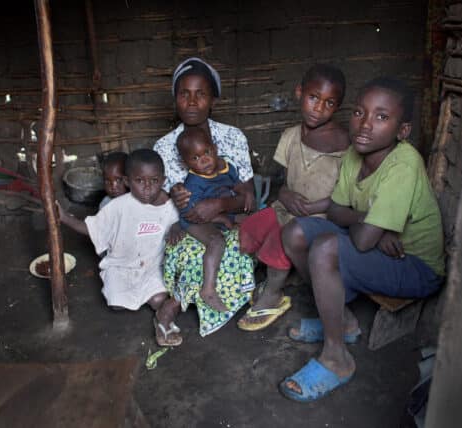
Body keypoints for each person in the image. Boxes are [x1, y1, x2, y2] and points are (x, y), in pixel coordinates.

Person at [278, 77, 445, 402]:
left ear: (403, 130)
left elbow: (363, 240)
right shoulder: (356, 154)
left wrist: (370, 230)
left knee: (326, 248)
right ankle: (344, 321)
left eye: (381, 117)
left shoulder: (404, 164)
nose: (365, 125)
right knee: (295, 231)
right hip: (378, 247)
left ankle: (336, 357)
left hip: (414, 265)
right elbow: (339, 211)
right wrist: (368, 223)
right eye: (359, 112)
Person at [237, 64, 349, 331]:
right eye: (313, 98)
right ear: (300, 93)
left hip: (322, 217)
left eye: (329, 103)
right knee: (253, 225)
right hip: (288, 208)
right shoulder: (290, 136)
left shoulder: (346, 145)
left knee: (279, 237)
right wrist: (285, 195)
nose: (318, 108)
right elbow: (285, 181)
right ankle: (269, 276)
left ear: (338, 106)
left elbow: (348, 197)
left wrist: (313, 207)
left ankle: (273, 293)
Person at [153, 57, 256, 338]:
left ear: (213, 99)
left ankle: (181, 305)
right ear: (175, 99)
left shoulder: (232, 137)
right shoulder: (163, 147)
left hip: (227, 218)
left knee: (236, 244)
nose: (192, 101)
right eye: (184, 94)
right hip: (186, 226)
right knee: (192, 250)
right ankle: (173, 308)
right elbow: (161, 202)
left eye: (201, 94)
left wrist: (220, 204)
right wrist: (174, 210)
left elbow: (249, 197)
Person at [57, 149, 184, 346]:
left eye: (154, 181)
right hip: (121, 266)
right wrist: (64, 217)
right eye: (139, 181)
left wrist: (177, 225)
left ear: (163, 180)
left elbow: (182, 223)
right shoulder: (118, 207)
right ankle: (135, 295)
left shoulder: (169, 206)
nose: (147, 188)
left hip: (153, 266)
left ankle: (161, 316)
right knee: (116, 303)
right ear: (127, 181)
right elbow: (91, 228)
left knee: (159, 299)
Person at [176, 127, 253, 312]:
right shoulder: (193, 183)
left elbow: (236, 184)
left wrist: (246, 192)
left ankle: (251, 281)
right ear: (185, 162)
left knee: (252, 222)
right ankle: (208, 289)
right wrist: (220, 219)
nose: (204, 160)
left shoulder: (226, 166)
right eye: (195, 158)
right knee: (216, 241)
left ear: (215, 148)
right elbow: (191, 211)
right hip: (194, 220)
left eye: (207, 152)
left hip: (223, 211)